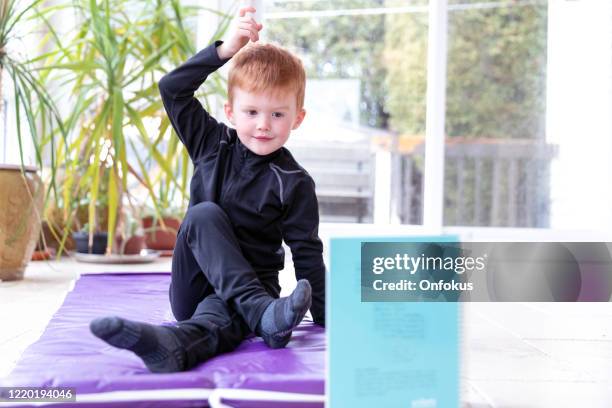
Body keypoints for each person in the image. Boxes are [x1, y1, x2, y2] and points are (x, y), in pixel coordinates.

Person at [89, 7, 325, 373]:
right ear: (231, 112)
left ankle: (171, 345)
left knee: (218, 317)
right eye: (251, 113)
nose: (263, 125)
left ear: (297, 118)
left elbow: (306, 252)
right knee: (203, 214)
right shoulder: (210, 142)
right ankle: (260, 313)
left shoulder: (295, 181)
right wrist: (225, 50)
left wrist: (327, 319)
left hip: (252, 288)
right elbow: (172, 89)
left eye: (277, 115)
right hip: (194, 282)